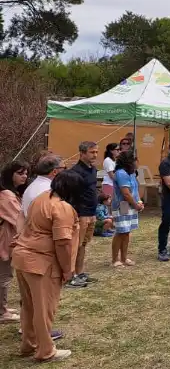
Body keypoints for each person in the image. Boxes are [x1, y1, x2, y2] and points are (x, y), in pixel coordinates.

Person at [12, 170, 83, 362]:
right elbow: (63, 242)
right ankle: (46, 351)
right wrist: (68, 270)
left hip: (23, 257)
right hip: (41, 262)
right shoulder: (61, 207)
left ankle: (29, 344)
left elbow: (25, 220)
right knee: (44, 309)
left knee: (29, 306)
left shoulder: (40, 198)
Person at [0, 160, 28, 324]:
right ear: (10, 175)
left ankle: (2, 307)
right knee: (4, 277)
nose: (24, 176)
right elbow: (18, 218)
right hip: (4, 241)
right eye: (20, 173)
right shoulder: (7, 196)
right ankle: (2, 312)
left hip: (7, 239)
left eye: (25, 173)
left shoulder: (10, 193)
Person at [68, 141, 99, 289]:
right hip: (81, 214)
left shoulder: (93, 169)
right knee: (76, 245)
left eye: (96, 152)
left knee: (84, 244)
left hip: (92, 212)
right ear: (82, 153)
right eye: (92, 152)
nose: (95, 155)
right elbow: (72, 195)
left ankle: (79, 272)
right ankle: (71, 275)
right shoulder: (75, 172)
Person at [111, 150, 143, 267]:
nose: (137, 162)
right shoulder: (121, 173)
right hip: (122, 206)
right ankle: (115, 259)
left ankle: (124, 258)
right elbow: (126, 193)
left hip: (131, 205)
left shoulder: (132, 173)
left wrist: (139, 202)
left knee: (126, 232)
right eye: (135, 159)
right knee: (120, 232)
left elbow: (135, 190)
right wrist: (135, 205)